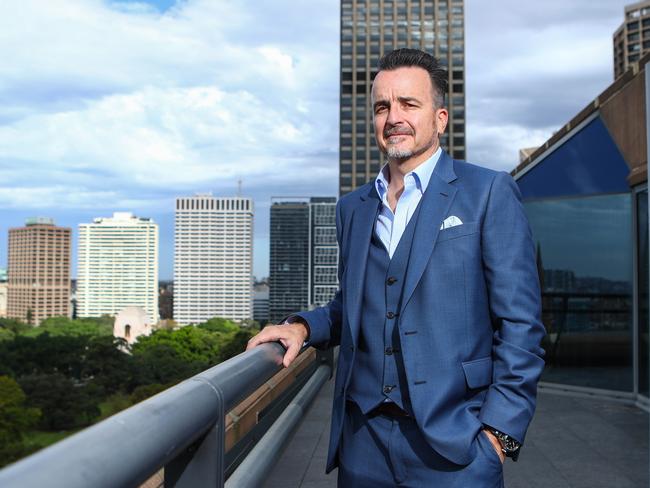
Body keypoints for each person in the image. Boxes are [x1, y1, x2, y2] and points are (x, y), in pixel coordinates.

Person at [247, 48, 545, 487]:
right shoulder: (353, 208)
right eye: (382, 106)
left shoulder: (488, 192)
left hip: (457, 447)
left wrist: (499, 434)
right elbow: (353, 303)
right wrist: (303, 327)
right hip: (362, 443)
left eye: (409, 104)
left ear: (440, 118)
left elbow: (520, 323)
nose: (394, 117)